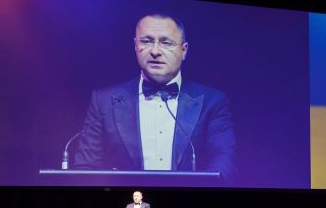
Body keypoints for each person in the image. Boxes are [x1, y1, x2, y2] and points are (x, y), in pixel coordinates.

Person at [72, 14, 236, 183]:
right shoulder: (103, 101)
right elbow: (85, 169)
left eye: (166, 42)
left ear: (184, 50)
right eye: (146, 41)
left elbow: (223, 161)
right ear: (135, 46)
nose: (155, 51)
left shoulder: (213, 102)